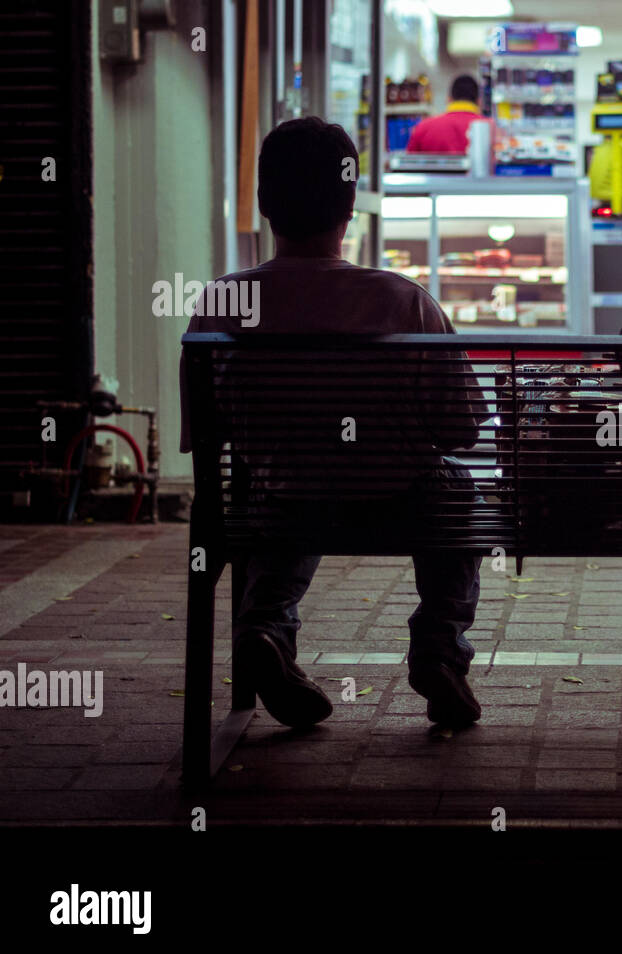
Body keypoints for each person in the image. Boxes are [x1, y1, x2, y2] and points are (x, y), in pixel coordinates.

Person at [179, 117, 489, 730]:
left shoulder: (221, 301)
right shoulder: (402, 299)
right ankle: (438, 650)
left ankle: (265, 629)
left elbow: (205, 434)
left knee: (280, 485)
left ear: (265, 203)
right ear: (351, 206)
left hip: (284, 499)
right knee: (455, 484)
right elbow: (461, 429)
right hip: (397, 499)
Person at [405, 74, 488, 154]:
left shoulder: (422, 128)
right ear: (479, 102)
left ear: (448, 99)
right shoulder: (490, 129)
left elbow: (408, 165)